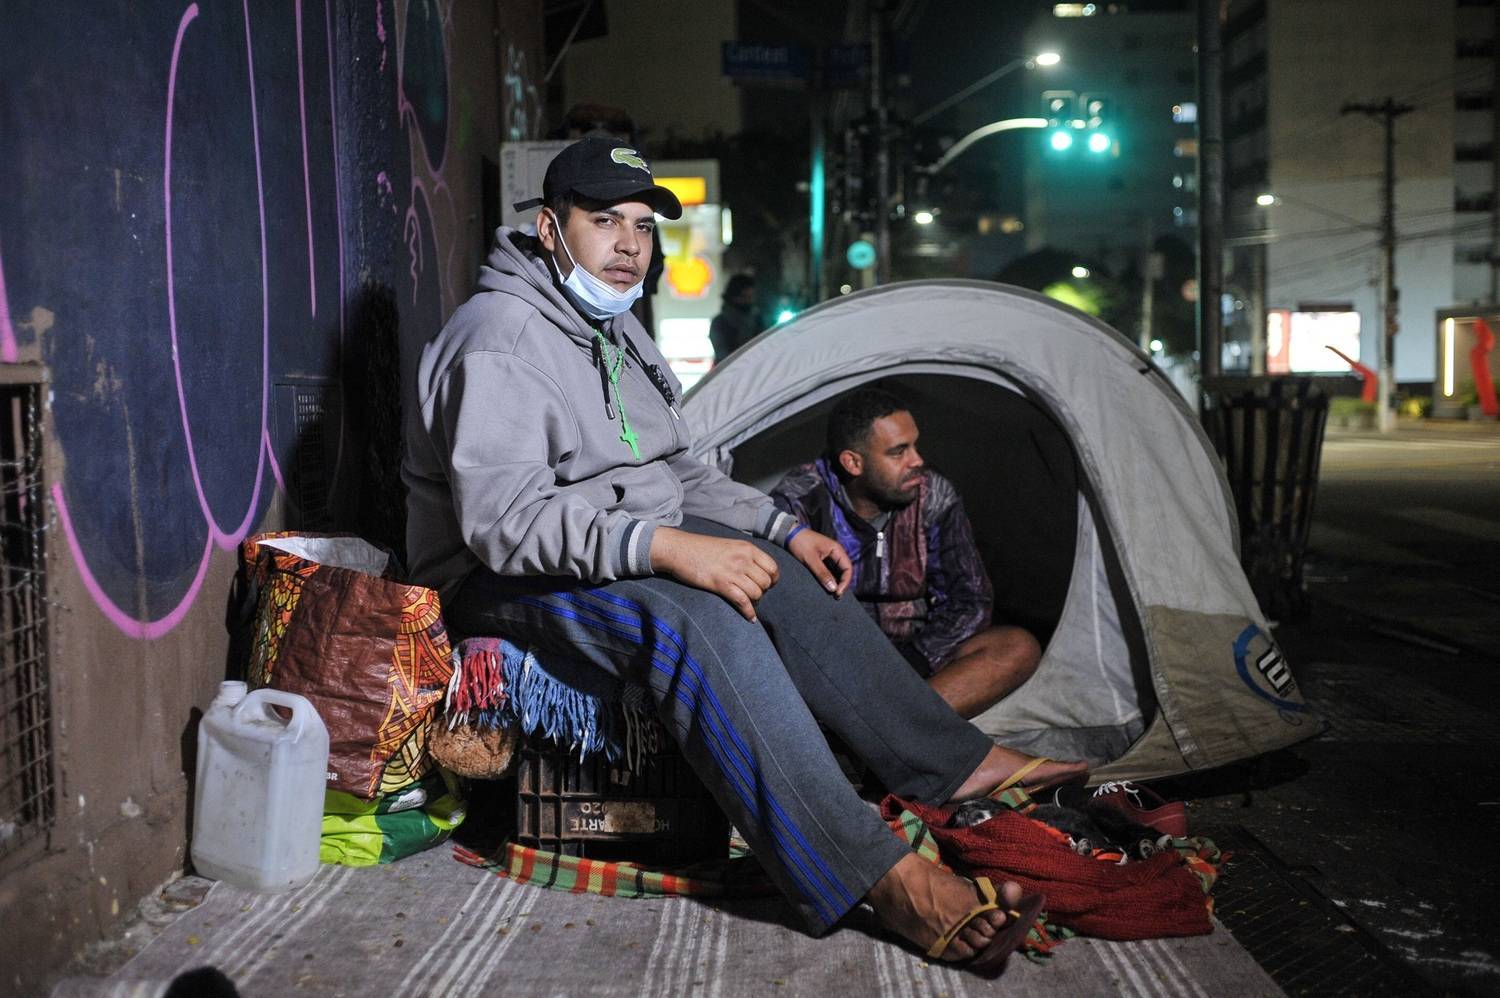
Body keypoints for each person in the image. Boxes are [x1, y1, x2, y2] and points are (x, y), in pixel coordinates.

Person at [403, 136, 1085, 972]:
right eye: (603, 221)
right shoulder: (501, 340)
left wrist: (781, 529)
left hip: (600, 548)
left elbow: (682, 469)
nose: (628, 245)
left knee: (788, 575)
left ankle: (956, 764)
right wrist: (669, 549)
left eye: (643, 228)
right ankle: (882, 877)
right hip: (498, 579)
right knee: (697, 616)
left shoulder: (615, 328)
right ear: (550, 229)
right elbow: (503, 525)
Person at [771, 388, 1041, 719]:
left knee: (1018, 647)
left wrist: (914, 662)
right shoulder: (800, 499)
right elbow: (786, 613)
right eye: (899, 452)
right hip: (838, 664)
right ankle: (897, 733)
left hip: (919, 657)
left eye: (914, 445)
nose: (918, 461)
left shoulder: (934, 494)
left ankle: (888, 731)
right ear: (853, 462)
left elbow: (971, 600)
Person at [708, 273, 759, 364]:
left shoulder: (757, 319)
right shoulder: (720, 322)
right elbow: (723, 356)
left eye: (751, 297)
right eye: (745, 297)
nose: (749, 300)